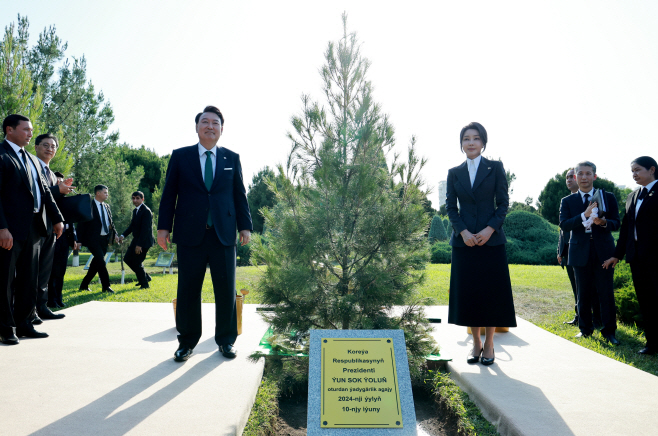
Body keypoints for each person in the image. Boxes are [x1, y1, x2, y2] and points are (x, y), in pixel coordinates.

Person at [158, 105, 252, 362]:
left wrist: (245, 225)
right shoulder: (180, 156)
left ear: (222, 129)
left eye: (215, 123)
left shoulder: (231, 158)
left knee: (225, 290)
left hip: (223, 234)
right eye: (205, 122)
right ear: (197, 127)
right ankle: (186, 342)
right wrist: (163, 228)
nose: (210, 126)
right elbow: (169, 195)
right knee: (188, 290)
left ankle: (226, 340)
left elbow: (239, 194)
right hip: (190, 235)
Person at [446, 122, 516, 366]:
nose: (471, 142)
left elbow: (503, 203)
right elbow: (450, 208)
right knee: (470, 295)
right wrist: (463, 232)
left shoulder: (495, 168)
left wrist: (489, 230)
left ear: (483, 142)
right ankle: (475, 343)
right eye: (466, 138)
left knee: (490, 294)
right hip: (464, 243)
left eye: (476, 138)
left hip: (491, 241)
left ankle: (489, 344)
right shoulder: (454, 172)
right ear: (461, 143)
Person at [0, 114, 64, 345]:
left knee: (29, 278)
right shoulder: (2, 155)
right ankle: (6, 327)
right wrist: (2, 227)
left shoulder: (31, 159)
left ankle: (24, 323)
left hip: (34, 228)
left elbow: (45, 192)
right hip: (9, 230)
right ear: (9, 129)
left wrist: (57, 219)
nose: (30, 133)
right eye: (26, 129)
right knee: (5, 280)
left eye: (31, 130)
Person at [559, 161, 620, 344]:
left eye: (588, 174)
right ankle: (585, 329)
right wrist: (584, 215)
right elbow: (564, 224)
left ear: (594, 176)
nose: (584, 177)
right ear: (576, 177)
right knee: (582, 293)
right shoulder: (567, 201)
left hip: (604, 252)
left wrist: (604, 223)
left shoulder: (607, 197)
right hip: (579, 252)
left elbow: (617, 222)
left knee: (606, 292)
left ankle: (609, 331)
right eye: (580, 174)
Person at [603, 156, 658, 355]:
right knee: (646, 301)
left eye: (637, 170)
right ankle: (652, 343)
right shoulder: (632, 196)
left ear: (651, 169)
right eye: (632, 171)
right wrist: (617, 255)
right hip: (637, 259)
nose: (634, 174)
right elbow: (626, 230)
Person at [31, 134, 76, 323]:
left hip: (51, 228)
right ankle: (29, 311)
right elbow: (36, 195)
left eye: (53, 146)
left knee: (45, 272)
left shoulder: (50, 172)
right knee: (31, 272)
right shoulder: (32, 166)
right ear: (36, 146)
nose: (50, 148)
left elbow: (51, 200)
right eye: (46, 145)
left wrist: (62, 190)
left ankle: (42, 307)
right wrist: (58, 190)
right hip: (34, 228)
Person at [558, 168, 601, 327]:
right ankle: (579, 316)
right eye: (567, 177)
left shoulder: (594, 199)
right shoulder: (567, 201)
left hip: (590, 248)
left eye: (571, 177)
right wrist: (560, 250)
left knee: (593, 287)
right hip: (570, 250)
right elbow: (562, 229)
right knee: (576, 286)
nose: (569, 180)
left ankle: (597, 318)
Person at [77, 185, 118, 294]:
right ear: (98, 193)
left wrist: (116, 235)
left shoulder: (107, 206)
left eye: (107, 192)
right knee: (101, 261)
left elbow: (111, 224)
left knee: (96, 263)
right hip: (92, 239)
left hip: (104, 239)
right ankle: (106, 286)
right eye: (105, 192)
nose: (107, 194)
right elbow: (82, 224)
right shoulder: (88, 205)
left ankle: (84, 285)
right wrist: (79, 240)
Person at [48, 174, 80, 308]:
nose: (62, 184)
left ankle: (59, 298)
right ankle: (51, 300)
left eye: (62, 182)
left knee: (61, 271)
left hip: (65, 239)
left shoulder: (66, 200)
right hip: (53, 237)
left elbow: (71, 222)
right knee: (52, 271)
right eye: (58, 182)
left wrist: (74, 240)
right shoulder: (51, 199)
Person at [118, 191, 154, 289]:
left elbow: (145, 230)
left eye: (137, 198)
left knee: (137, 262)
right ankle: (145, 277)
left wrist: (139, 245)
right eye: (133, 198)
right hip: (137, 240)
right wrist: (123, 235)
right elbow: (132, 226)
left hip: (144, 241)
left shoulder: (146, 211)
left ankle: (144, 284)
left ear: (142, 199)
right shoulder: (135, 211)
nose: (135, 200)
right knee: (127, 259)